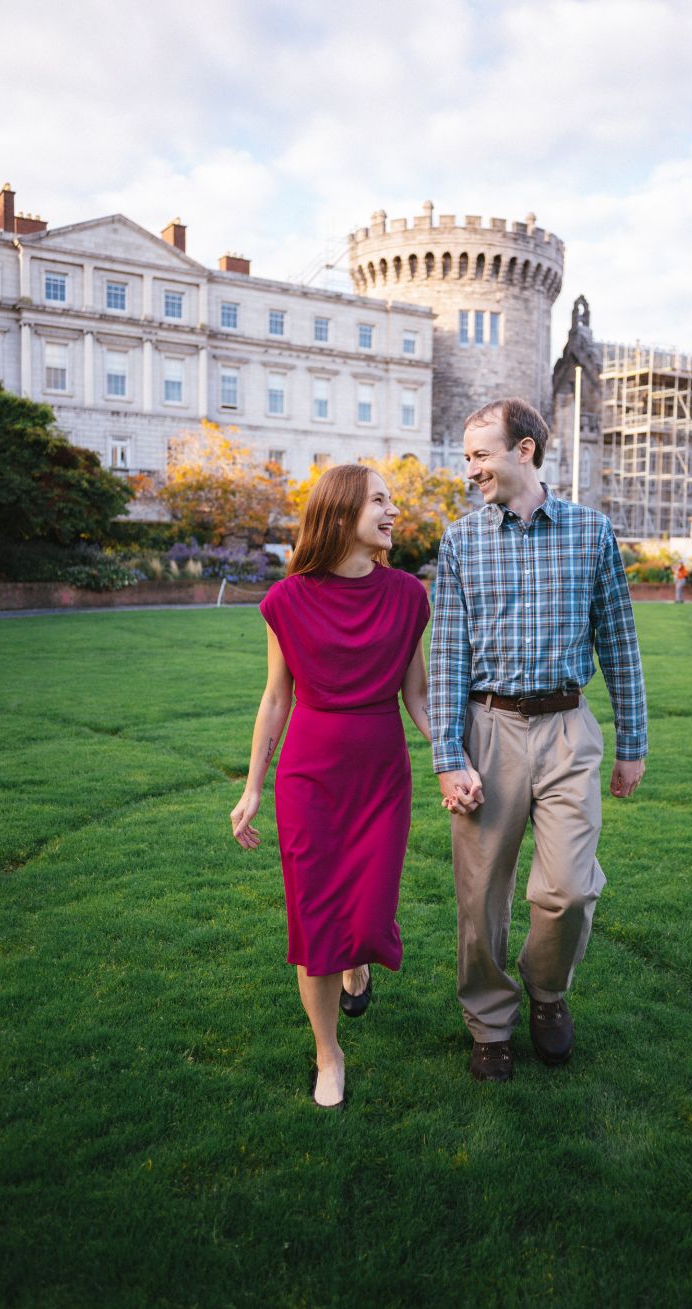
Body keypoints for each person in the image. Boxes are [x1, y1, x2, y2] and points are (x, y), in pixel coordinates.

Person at [429, 398, 647, 1082]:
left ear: (523, 450)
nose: (470, 470)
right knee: (481, 893)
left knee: (568, 889)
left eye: (480, 454)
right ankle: (490, 1021)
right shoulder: (460, 541)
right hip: (486, 729)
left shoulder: (590, 532)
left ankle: (546, 991)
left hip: (565, 732)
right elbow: (446, 659)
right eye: (466, 457)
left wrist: (631, 742)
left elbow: (618, 642)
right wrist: (446, 755)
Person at [230, 465, 438, 1109]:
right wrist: (252, 789)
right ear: (343, 513)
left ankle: (359, 961)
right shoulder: (286, 602)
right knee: (316, 922)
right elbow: (274, 699)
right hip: (308, 779)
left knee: (370, 914)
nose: (394, 510)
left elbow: (419, 696)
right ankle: (329, 1054)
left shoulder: (408, 596)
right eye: (380, 500)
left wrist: (451, 755)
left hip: (381, 776)